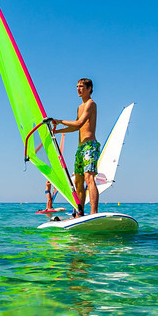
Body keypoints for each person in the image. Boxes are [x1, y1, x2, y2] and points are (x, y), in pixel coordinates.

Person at [50, 78, 99, 217]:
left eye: (82, 86)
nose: (78, 89)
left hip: (90, 146)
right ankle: (80, 213)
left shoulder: (91, 104)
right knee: (78, 181)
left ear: (89, 89)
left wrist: (60, 121)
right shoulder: (79, 107)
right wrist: (58, 131)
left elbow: (79, 123)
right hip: (80, 148)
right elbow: (75, 128)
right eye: (77, 86)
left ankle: (94, 213)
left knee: (89, 179)